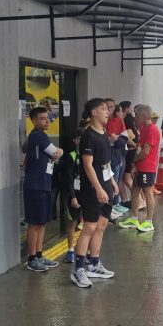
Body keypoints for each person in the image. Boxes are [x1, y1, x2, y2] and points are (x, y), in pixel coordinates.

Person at [71, 98, 118, 288]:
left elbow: (105, 163)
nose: (108, 112)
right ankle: (78, 270)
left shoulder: (104, 133)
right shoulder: (88, 136)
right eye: (104, 109)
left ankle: (94, 264)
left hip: (106, 187)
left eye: (108, 109)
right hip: (92, 190)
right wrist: (98, 188)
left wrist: (112, 181)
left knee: (101, 225)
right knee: (89, 228)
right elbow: (88, 165)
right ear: (93, 112)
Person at [21, 106, 64, 272]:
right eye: (42, 118)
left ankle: (39, 255)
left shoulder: (42, 136)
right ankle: (32, 258)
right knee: (34, 223)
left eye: (47, 118)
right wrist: (60, 150)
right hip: (35, 186)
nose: (47, 121)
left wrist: (57, 153)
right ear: (33, 121)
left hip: (44, 184)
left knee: (42, 222)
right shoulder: (37, 136)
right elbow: (55, 153)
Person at [118, 104, 159, 233]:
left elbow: (145, 152)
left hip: (148, 167)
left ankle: (149, 222)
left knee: (148, 192)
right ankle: (134, 218)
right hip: (140, 167)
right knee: (135, 191)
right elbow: (139, 148)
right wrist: (134, 165)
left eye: (137, 115)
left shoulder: (152, 130)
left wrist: (134, 161)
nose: (135, 117)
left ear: (144, 115)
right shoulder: (144, 129)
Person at [55, 130, 83, 263]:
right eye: (80, 139)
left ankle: (86, 251)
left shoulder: (88, 155)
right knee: (72, 221)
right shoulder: (70, 156)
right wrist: (72, 196)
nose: (82, 141)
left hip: (86, 194)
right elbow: (68, 178)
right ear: (75, 140)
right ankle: (70, 250)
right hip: (74, 194)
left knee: (87, 223)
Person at [105, 98, 127, 218]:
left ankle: (114, 205)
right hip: (104, 157)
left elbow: (124, 139)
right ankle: (108, 208)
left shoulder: (119, 121)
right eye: (107, 106)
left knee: (116, 181)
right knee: (106, 183)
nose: (109, 109)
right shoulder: (101, 121)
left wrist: (116, 140)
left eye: (112, 107)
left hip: (116, 156)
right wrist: (109, 140)